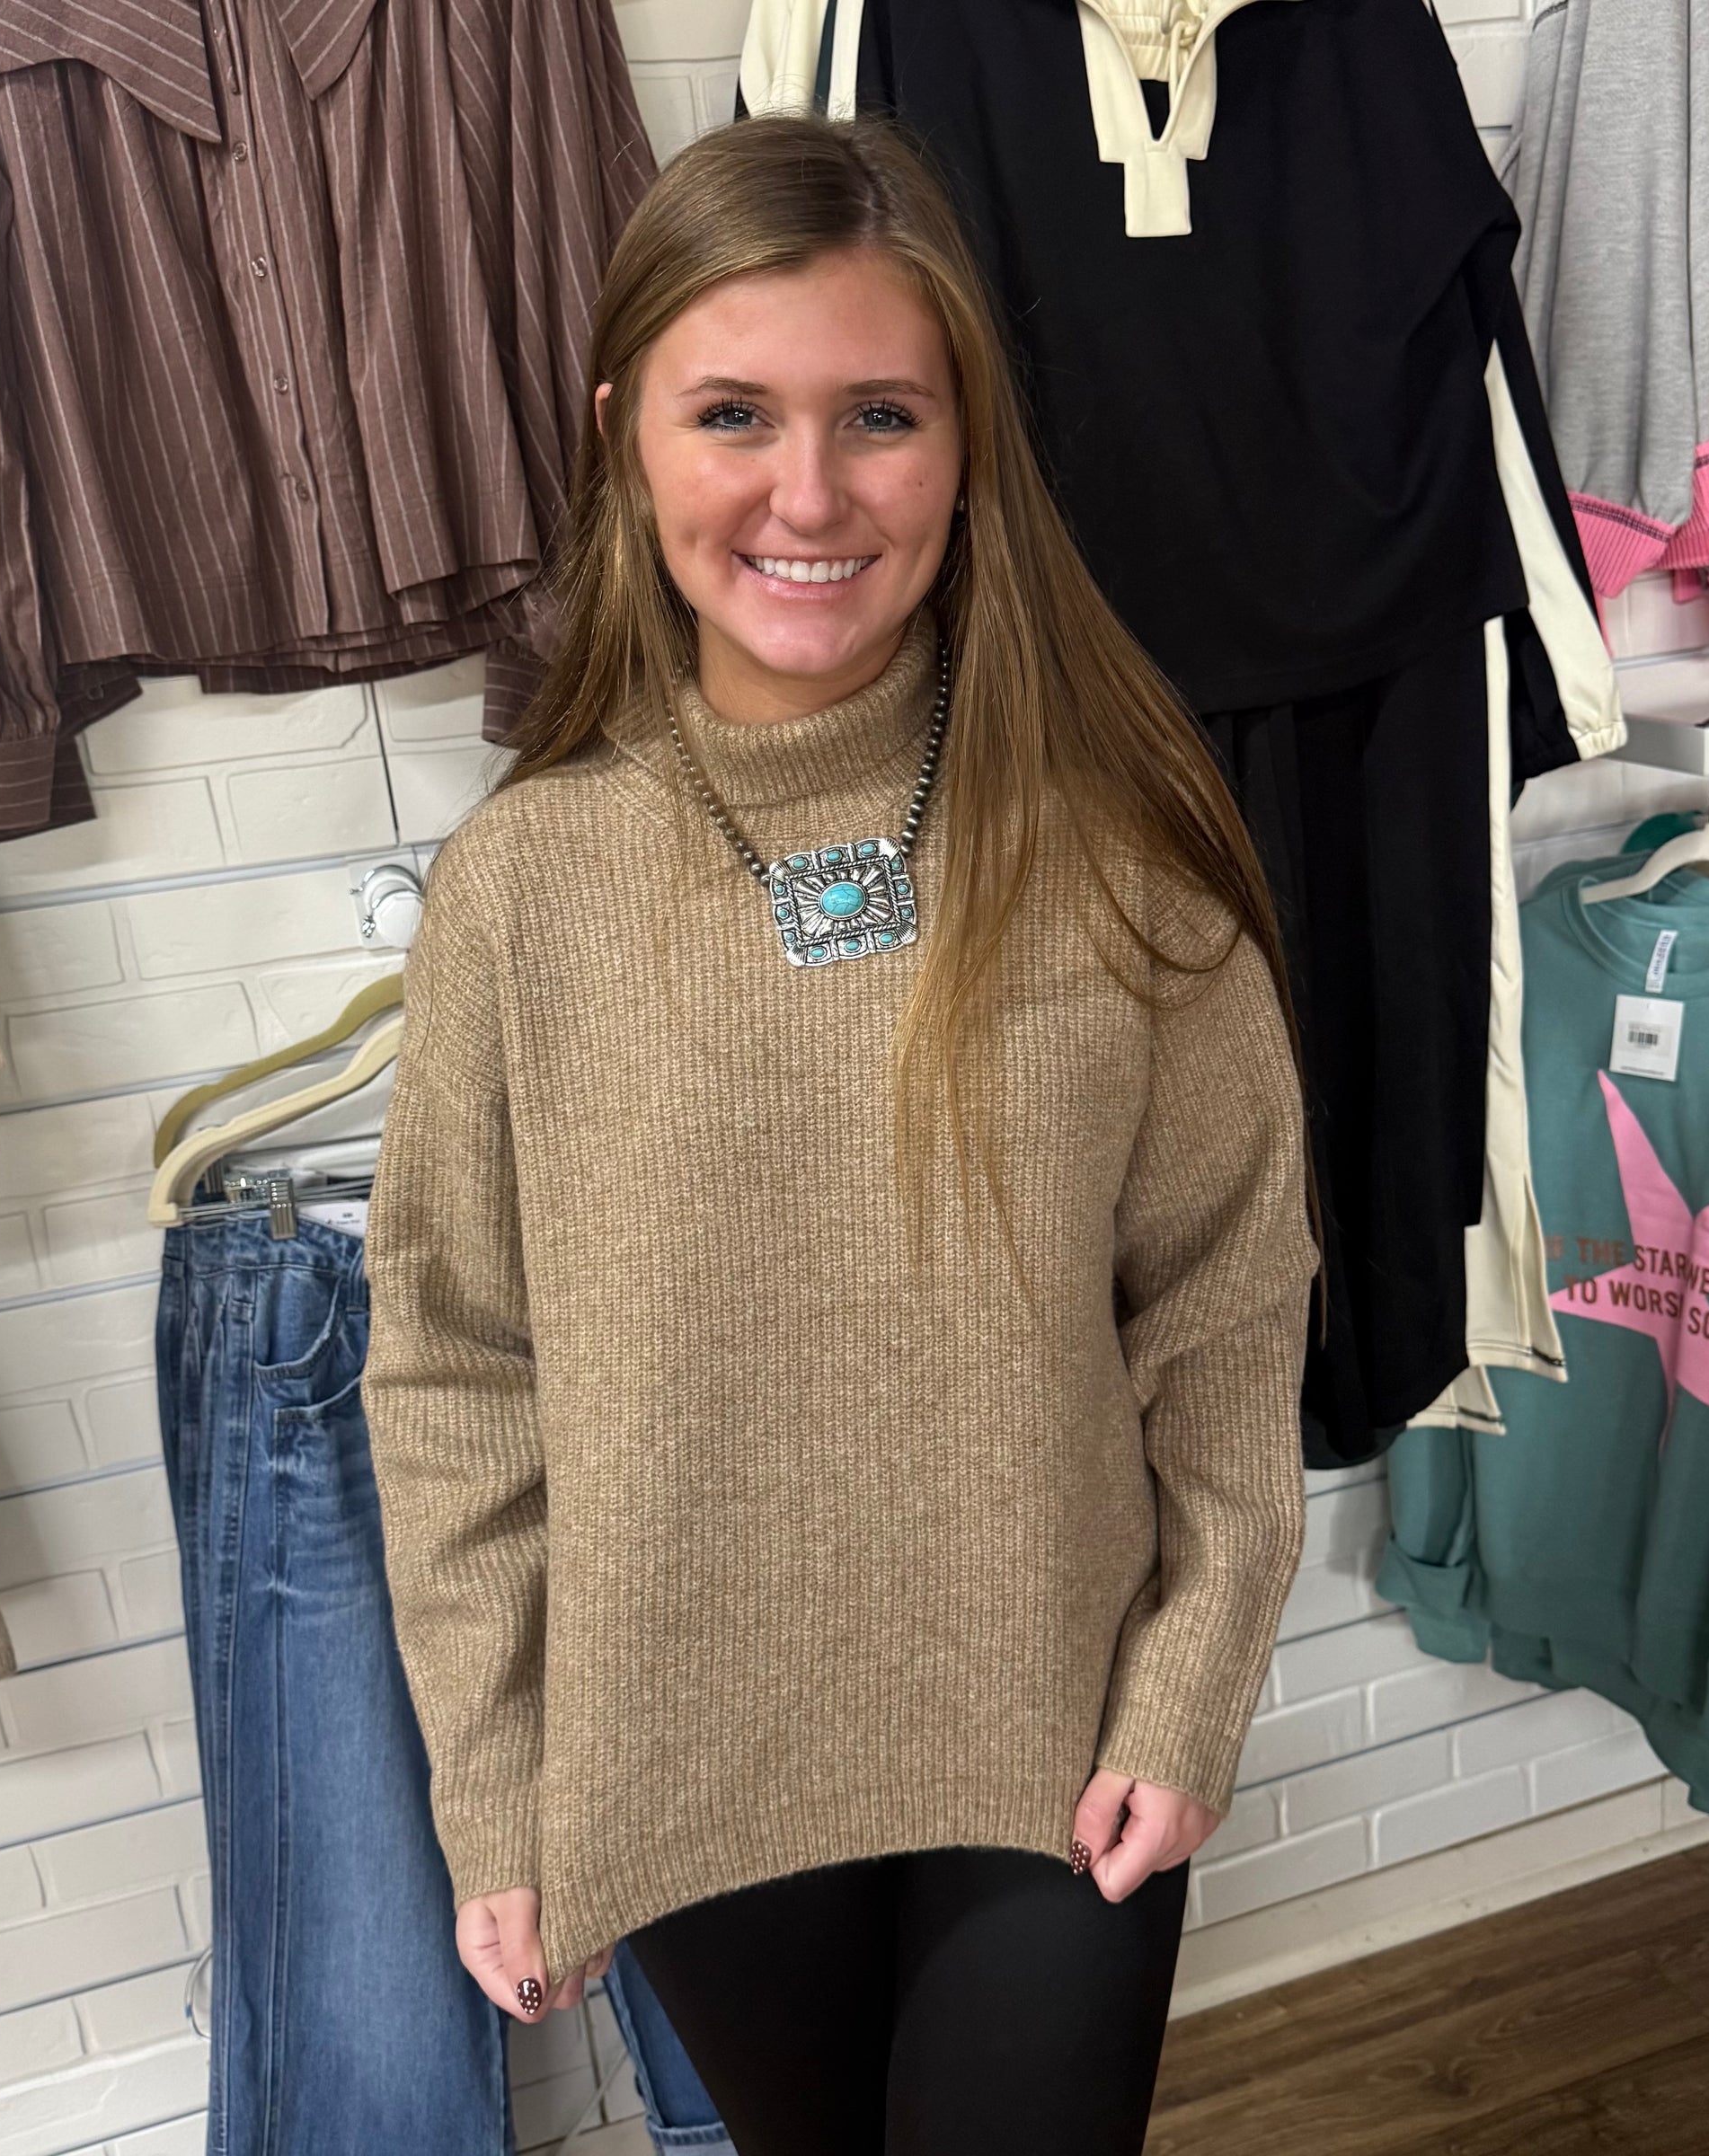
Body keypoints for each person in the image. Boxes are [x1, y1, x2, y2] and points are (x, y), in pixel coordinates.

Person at [361, 112, 1315, 2156]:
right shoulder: (526, 889)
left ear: (967, 443)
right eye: (734, 414)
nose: (809, 494)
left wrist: (1193, 1679)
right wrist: (497, 1788)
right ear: (626, 438)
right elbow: (455, 1370)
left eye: (880, 413)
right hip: (687, 1748)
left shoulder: (1121, 856)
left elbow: (1230, 1304)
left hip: (1050, 1732)